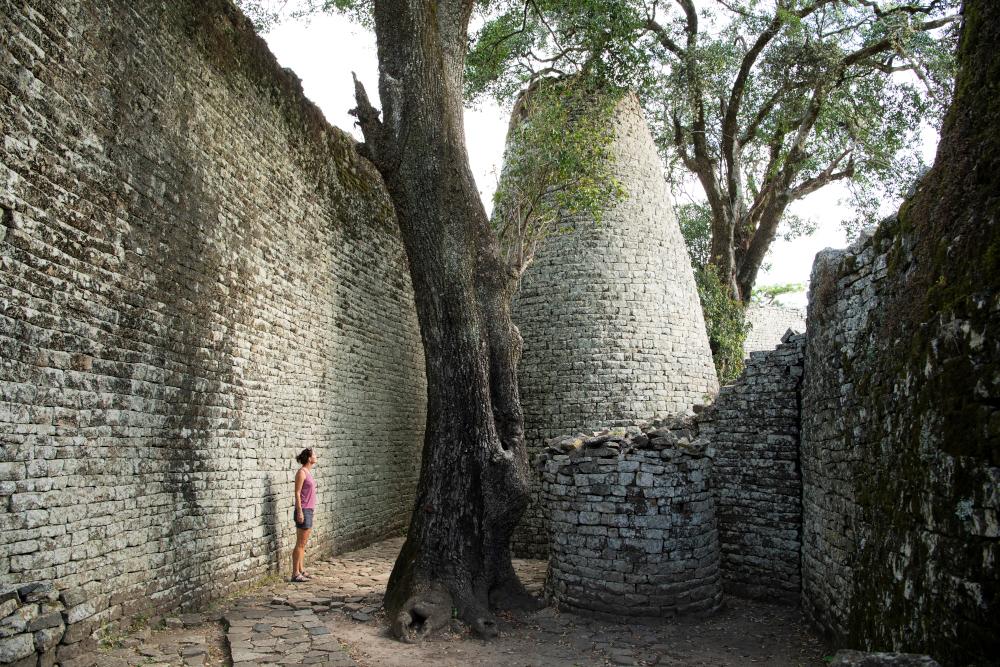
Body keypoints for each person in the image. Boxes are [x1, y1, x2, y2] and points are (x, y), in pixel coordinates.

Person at [291, 448, 317, 582]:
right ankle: (295, 573)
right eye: (314, 455)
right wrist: (300, 511)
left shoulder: (308, 472)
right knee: (300, 543)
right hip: (303, 510)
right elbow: (297, 492)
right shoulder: (301, 473)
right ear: (309, 458)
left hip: (309, 510)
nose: (316, 456)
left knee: (303, 543)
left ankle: (301, 570)